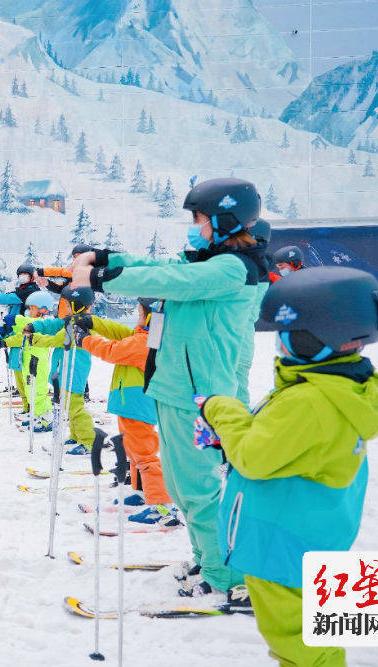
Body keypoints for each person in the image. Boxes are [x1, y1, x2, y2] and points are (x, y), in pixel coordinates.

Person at [70, 177, 270, 601]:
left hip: (201, 397)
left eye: (200, 219)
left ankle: (224, 574)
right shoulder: (209, 259)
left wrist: (101, 277)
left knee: (197, 487)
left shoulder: (233, 269)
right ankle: (206, 557)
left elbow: (170, 281)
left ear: (224, 219)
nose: (196, 228)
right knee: (181, 487)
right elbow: (154, 265)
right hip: (175, 387)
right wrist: (105, 257)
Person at [196, 267, 378, 665]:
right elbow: (291, 444)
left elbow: (252, 458)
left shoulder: (308, 401)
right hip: (323, 532)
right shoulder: (346, 389)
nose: (278, 344)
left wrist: (222, 409)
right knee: (321, 641)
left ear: (310, 338)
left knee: (297, 646)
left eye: (283, 333)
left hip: (282, 547)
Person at [76, 297, 177, 526]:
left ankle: (162, 505)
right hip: (129, 404)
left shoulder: (145, 343)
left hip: (137, 405)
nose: (137, 316)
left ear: (151, 317)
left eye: (140, 313)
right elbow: (120, 332)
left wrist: (86, 340)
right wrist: (93, 322)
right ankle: (143, 492)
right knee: (133, 450)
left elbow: (112, 350)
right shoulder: (144, 336)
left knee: (144, 453)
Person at [28, 285, 95, 445]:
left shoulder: (81, 324)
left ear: (76, 305)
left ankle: (88, 440)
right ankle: (76, 435)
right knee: (69, 405)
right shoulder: (69, 321)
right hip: (64, 370)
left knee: (75, 407)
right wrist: (34, 326)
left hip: (74, 371)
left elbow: (56, 339)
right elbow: (52, 325)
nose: (64, 308)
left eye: (67, 304)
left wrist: (35, 339)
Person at [0, 265, 41, 412]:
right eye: (20, 274)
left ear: (32, 277)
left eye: (25, 274)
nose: (22, 277)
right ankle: (27, 405)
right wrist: (1, 335)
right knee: (17, 372)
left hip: (26, 335)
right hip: (15, 334)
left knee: (26, 374)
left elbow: (12, 298)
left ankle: (34, 406)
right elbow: (10, 315)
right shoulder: (20, 290)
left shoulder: (31, 291)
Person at [1, 290, 56, 431]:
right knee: (30, 389)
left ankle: (47, 420)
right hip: (28, 360)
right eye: (29, 308)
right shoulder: (30, 324)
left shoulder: (41, 323)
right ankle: (37, 415)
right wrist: (5, 341)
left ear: (43, 310)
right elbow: (21, 336)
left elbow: (25, 321)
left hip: (37, 362)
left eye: (33, 308)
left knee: (38, 391)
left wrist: (15, 318)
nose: (30, 311)